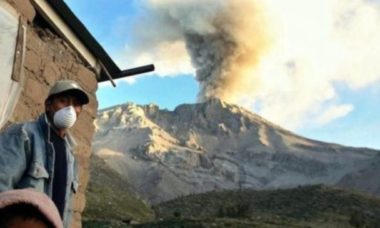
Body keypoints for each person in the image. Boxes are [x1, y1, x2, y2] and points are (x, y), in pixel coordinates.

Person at [0, 80, 89, 227]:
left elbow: (65, 210)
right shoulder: (23, 135)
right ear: (48, 105)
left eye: (76, 104)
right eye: (63, 101)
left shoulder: (70, 156)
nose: (70, 109)